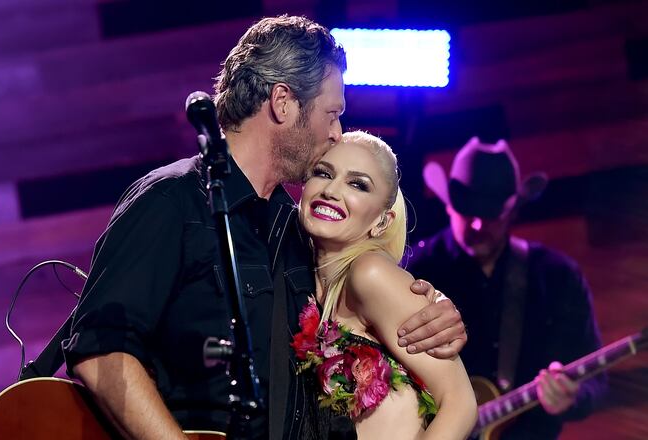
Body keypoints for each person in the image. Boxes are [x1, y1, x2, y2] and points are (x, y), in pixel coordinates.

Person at [63, 15, 467, 440]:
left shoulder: (293, 229)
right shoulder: (171, 202)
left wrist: (437, 310)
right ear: (283, 102)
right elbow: (101, 352)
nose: (336, 132)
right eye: (331, 113)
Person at [408, 137, 607, 439]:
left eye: (490, 215)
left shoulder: (557, 276)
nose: (476, 225)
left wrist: (572, 397)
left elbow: (596, 380)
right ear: (449, 204)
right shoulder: (415, 270)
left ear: (513, 210)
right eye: (467, 211)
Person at [293, 131, 477, 440]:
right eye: (323, 173)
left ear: (382, 221)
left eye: (358, 184)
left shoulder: (370, 273)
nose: (331, 190)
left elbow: (460, 402)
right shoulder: (298, 276)